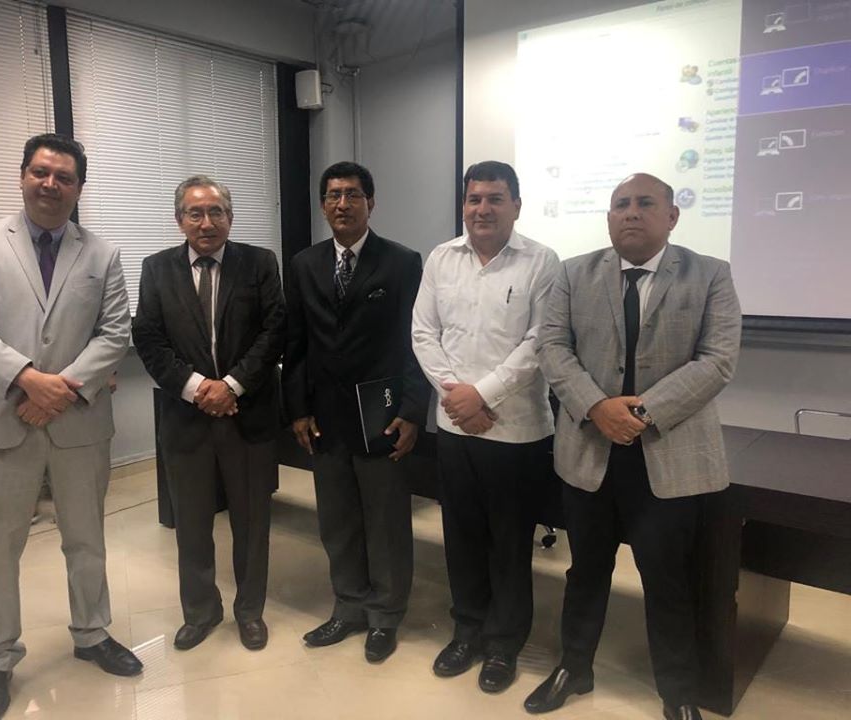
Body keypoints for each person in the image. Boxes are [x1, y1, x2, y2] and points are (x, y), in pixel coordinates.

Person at [526, 173, 741, 720]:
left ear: (672, 216)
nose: (631, 212)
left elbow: (717, 360)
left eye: (645, 203)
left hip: (667, 453)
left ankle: (678, 691)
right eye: (621, 204)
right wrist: (598, 407)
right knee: (585, 571)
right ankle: (575, 667)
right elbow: (552, 347)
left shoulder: (710, 274)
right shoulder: (573, 273)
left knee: (667, 578)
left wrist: (640, 413)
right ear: (608, 217)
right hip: (590, 452)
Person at [0, 134, 140, 720]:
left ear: (80, 187)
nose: (50, 185)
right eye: (40, 172)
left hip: (78, 422)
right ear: (23, 176)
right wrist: (29, 380)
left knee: (86, 538)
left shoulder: (102, 254)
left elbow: (115, 334)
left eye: (64, 177)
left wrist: (60, 390)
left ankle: (92, 633)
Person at [411, 161, 560, 693]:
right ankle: (467, 631)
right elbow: (424, 333)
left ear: (516, 205)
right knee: (461, 537)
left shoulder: (541, 261)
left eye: (495, 199)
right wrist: (457, 396)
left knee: (509, 544)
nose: (483, 209)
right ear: (464, 205)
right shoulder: (441, 258)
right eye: (474, 199)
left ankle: (503, 644)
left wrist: (483, 394)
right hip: (456, 427)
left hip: (516, 432)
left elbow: (540, 343)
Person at [282, 161, 429, 663]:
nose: (342, 204)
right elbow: (295, 342)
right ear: (323, 205)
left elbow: (417, 342)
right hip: (325, 417)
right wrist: (297, 407)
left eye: (352, 195)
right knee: (337, 518)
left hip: (381, 414)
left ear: (371, 203)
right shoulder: (304, 264)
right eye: (333, 195)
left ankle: (385, 615)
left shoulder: (402, 262)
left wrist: (413, 410)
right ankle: (347, 606)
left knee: (385, 520)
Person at [132, 175, 286, 652]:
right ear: (179, 220)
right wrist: (199, 388)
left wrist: (232, 385)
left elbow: (275, 331)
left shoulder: (259, 263)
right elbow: (149, 339)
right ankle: (201, 611)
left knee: (251, 523)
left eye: (216, 211)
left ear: (230, 218)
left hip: (247, 414)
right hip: (187, 418)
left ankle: (249, 611)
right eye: (195, 213)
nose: (206, 222)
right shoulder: (157, 269)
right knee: (192, 525)